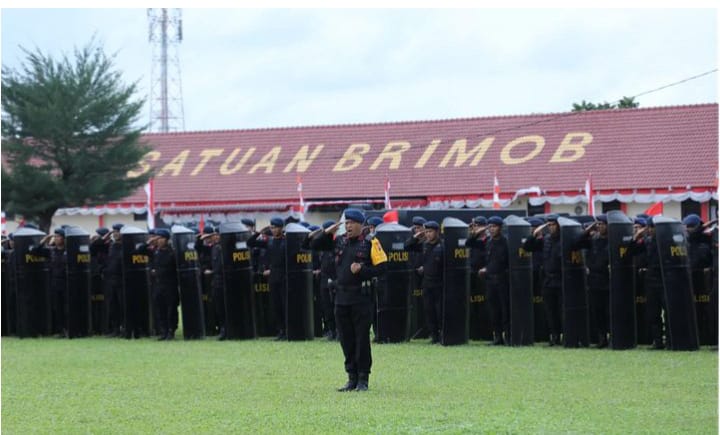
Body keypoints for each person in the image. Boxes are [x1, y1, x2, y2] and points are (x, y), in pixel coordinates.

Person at [310, 208, 387, 392]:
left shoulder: (371, 243)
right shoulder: (340, 242)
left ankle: (363, 378)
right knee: (346, 339)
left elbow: (383, 268)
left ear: (361, 225)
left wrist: (362, 269)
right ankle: (351, 377)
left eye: (352, 223)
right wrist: (327, 232)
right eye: (347, 223)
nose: (349, 226)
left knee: (361, 339)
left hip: (361, 298)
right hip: (341, 298)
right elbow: (311, 244)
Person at [627, 217, 666, 349]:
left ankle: (671, 339)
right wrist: (635, 237)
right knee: (653, 313)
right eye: (650, 227)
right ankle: (658, 341)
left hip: (665, 280)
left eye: (653, 227)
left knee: (668, 312)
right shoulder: (648, 242)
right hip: (651, 280)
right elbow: (631, 252)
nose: (650, 230)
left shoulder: (666, 241)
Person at [523, 214, 562, 346]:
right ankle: (554, 336)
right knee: (550, 311)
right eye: (549, 225)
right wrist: (534, 234)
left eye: (553, 225)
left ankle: (565, 335)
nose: (551, 228)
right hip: (548, 281)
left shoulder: (564, 239)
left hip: (561, 280)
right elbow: (527, 247)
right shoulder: (546, 240)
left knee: (562, 310)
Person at [248, 217, 287, 340]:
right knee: (276, 305)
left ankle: (287, 330)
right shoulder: (269, 241)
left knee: (285, 304)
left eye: (276, 227)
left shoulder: (286, 241)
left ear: (281, 228)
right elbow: (250, 242)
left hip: (284, 276)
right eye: (272, 227)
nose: (274, 230)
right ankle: (281, 330)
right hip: (273, 276)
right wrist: (260, 232)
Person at [405, 220, 444, 344]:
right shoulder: (424, 245)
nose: (428, 234)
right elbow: (407, 246)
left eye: (430, 231)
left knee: (440, 311)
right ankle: (434, 336)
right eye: (426, 231)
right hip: (427, 284)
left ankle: (442, 334)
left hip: (439, 283)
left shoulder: (442, 246)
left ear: (437, 232)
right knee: (429, 310)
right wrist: (416, 236)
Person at [574, 215, 610, 348]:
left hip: (608, 280)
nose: (600, 226)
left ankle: (611, 336)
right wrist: (588, 230)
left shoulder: (612, 240)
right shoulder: (593, 240)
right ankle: (602, 338)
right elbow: (576, 242)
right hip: (594, 281)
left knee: (609, 312)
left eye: (602, 224)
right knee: (597, 311)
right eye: (598, 224)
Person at [478, 216, 510, 345]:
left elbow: (502, 262)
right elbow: (470, 243)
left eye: (494, 226)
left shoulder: (506, 242)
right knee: (493, 310)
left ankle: (508, 336)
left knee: (505, 310)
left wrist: (488, 269)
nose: (491, 229)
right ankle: (497, 337)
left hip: (502, 280)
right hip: (490, 281)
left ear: (500, 228)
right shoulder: (489, 242)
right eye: (489, 227)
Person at [31, 228, 68, 337]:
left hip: (66, 283)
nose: (56, 238)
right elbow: (34, 251)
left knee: (66, 307)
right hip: (55, 283)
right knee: (57, 308)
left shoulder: (69, 251)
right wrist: (44, 240)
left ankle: (68, 329)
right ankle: (61, 330)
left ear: (64, 238)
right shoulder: (51, 251)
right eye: (55, 236)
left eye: (58, 236)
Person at [144, 229, 179, 340]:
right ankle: (163, 331)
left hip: (170, 285)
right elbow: (139, 251)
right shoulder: (155, 252)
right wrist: (150, 241)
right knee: (160, 309)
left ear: (167, 239)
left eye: (161, 238)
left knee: (171, 310)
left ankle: (171, 331)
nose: (158, 240)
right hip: (158, 285)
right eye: (157, 238)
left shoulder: (172, 252)